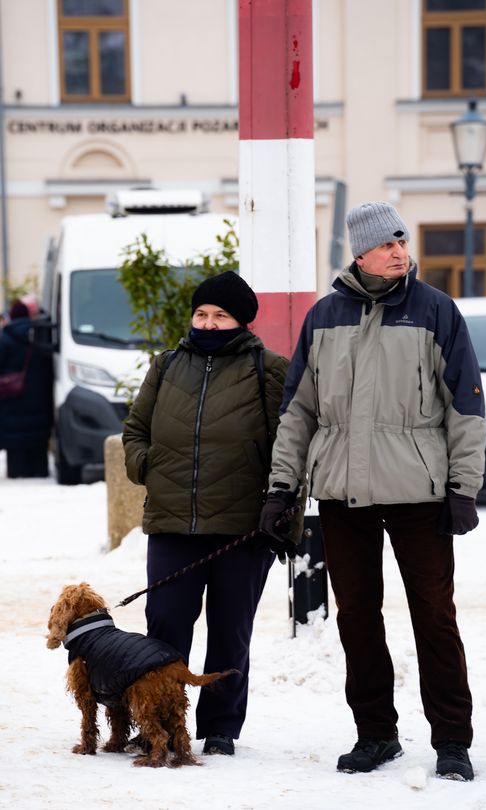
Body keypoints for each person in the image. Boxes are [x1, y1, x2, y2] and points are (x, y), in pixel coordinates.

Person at [259, 202, 486, 781]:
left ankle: (452, 740)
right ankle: (376, 733)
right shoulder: (324, 316)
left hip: (419, 493)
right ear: (361, 253)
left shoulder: (435, 311)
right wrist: (281, 487)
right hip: (344, 492)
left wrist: (463, 487)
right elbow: (298, 411)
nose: (399, 252)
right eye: (387, 244)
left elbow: (466, 405)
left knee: (434, 616)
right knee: (357, 617)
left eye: (401, 242)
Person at [122, 270, 288, 756]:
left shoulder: (268, 369)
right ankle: (158, 721)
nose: (209, 323)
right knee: (165, 624)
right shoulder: (167, 365)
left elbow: (289, 445)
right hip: (173, 521)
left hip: (242, 527)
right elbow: (135, 431)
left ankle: (220, 727)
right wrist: (149, 466)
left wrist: (281, 513)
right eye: (201, 314)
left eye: (221, 315)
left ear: (243, 321)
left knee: (230, 630)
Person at [0, 297, 53, 478]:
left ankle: (17, 471)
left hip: (12, 397)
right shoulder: (39, 334)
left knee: (15, 439)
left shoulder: (5, 337)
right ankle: (39, 470)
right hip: (38, 396)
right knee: (37, 436)